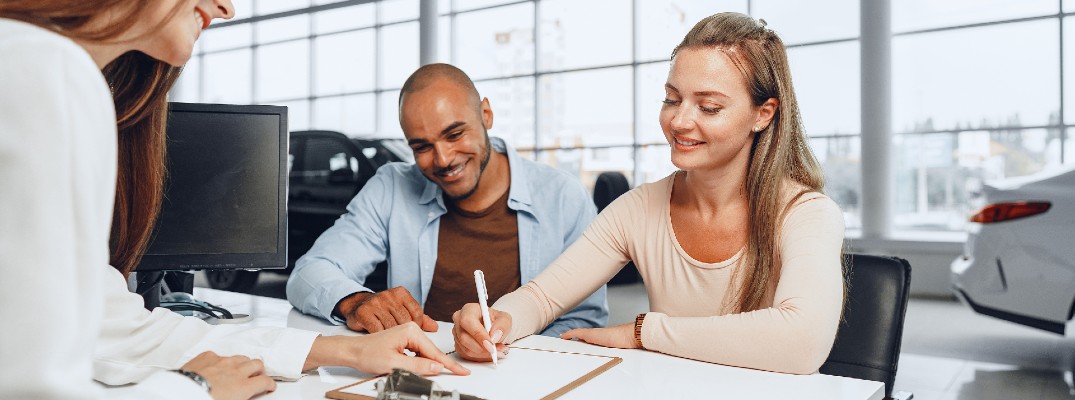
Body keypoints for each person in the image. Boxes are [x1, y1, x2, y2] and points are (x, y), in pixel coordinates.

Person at [0, 1, 465, 399]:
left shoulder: (35, 64)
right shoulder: (46, 70)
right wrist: (194, 389)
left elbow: (117, 329)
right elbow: (37, 387)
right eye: (421, 143)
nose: (227, 8)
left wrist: (347, 351)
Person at [452, 12, 846, 375]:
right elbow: (542, 298)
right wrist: (497, 320)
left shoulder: (806, 213)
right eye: (672, 99)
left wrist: (643, 333)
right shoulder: (639, 208)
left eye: (708, 107)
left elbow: (803, 342)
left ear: (763, 114)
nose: (679, 120)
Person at [287, 63, 607, 341]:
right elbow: (310, 271)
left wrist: (506, 346)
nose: (443, 159)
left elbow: (584, 319)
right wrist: (355, 302)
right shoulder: (391, 187)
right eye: (422, 146)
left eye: (454, 135)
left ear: (486, 114)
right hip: (419, 376)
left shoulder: (562, 197)